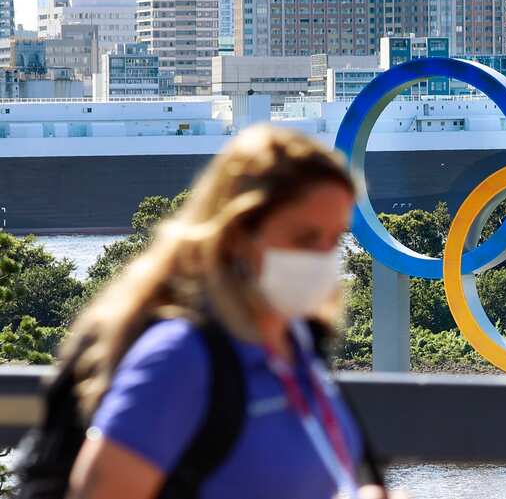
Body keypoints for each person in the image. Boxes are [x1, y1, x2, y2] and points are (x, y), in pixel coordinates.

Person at [49, 124, 396, 499]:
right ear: (237, 237)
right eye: (306, 239)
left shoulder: (298, 342)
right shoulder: (179, 359)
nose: (325, 258)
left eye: (335, 239)